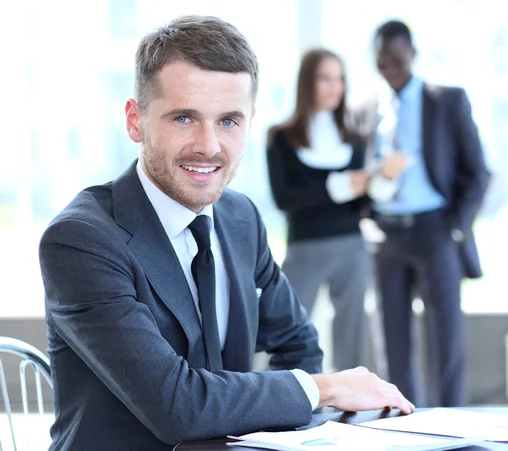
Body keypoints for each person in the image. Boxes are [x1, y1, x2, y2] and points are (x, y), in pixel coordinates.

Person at [38, 15, 414, 451]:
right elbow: (175, 405)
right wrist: (321, 389)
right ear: (136, 120)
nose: (210, 145)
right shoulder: (81, 240)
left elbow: (298, 345)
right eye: (184, 118)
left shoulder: (239, 218)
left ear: (250, 121)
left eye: (229, 121)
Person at [353, 20, 491, 407]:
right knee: (391, 340)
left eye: (397, 56)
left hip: (436, 230)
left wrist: (455, 228)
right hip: (386, 235)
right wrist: (367, 218)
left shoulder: (446, 100)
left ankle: (450, 425)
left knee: (446, 338)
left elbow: (478, 171)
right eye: (381, 59)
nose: (389, 65)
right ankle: (404, 423)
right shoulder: (365, 109)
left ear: (413, 53)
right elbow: (359, 172)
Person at [266, 48, 371, 372]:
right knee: (285, 330)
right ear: (306, 83)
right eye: (325, 78)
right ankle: (272, 403)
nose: (334, 87)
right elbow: (284, 199)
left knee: (351, 335)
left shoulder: (355, 139)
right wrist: (334, 188)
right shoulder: (280, 137)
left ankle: (352, 412)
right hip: (304, 250)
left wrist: (375, 184)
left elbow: (363, 204)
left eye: (339, 79)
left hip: (352, 248)